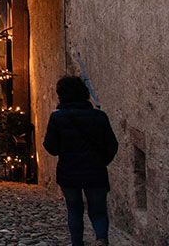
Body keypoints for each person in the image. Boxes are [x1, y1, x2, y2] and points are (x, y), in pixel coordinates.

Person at [44, 75, 119, 246]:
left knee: (74, 210)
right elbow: (112, 145)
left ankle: (77, 243)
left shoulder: (57, 118)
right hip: (95, 171)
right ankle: (101, 239)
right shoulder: (99, 117)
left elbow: (51, 147)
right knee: (98, 210)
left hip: (69, 172)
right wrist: (102, 162)